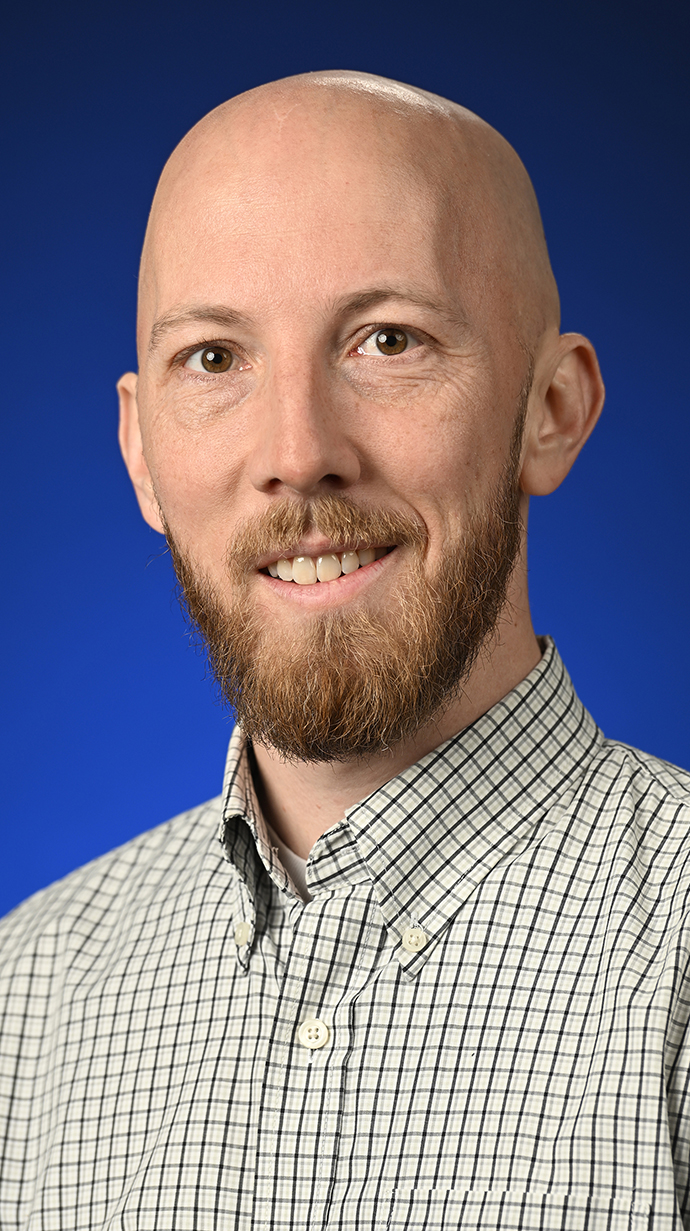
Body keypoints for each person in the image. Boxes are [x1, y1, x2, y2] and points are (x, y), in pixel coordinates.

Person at [0, 69, 688, 1231]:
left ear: (552, 410)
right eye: (215, 359)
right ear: (139, 450)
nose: (300, 450)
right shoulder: (25, 1000)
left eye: (387, 340)